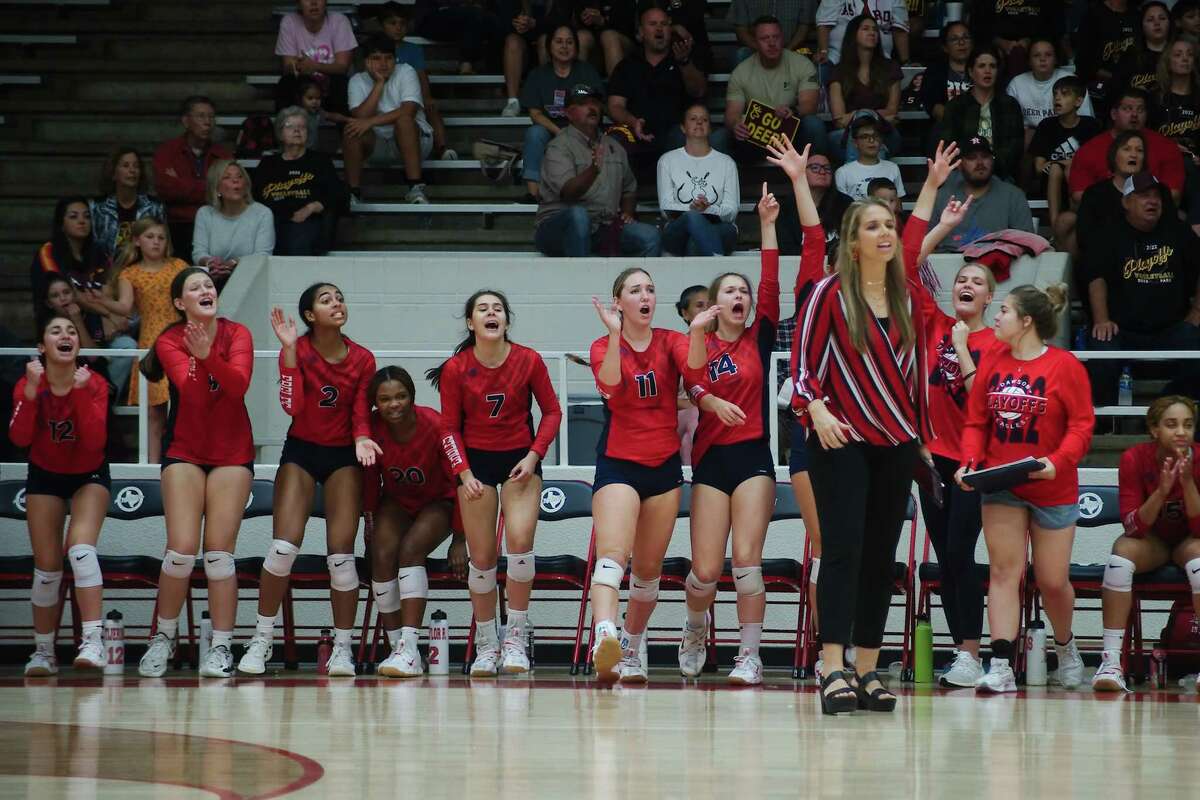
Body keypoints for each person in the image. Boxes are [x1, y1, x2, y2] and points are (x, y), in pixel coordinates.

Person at [790, 142, 953, 716]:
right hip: (842, 440)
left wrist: (931, 185)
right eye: (874, 226)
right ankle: (830, 665)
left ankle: (866, 666)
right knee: (843, 550)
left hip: (898, 441)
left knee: (882, 556)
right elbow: (802, 368)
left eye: (891, 223)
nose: (887, 233)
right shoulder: (828, 293)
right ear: (853, 242)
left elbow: (918, 375)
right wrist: (816, 410)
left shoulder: (910, 296)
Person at [677, 149, 803, 686]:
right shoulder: (697, 340)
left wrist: (767, 225)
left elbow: (772, 281)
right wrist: (707, 396)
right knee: (705, 571)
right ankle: (696, 626)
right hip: (709, 460)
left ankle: (748, 655)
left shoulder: (755, 335)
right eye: (730, 290)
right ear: (713, 302)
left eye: (744, 292)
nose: (741, 295)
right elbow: (689, 382)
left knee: (747, 560)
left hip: (752, 456)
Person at [957, 284, 1093, 693]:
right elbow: (976, 420)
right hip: (1002, 482)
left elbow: (1082, 425)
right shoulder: (993, 360)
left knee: (1052, 580)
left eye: (1004, 311)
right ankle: (1000, 665)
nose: (996, 317)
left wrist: (1058, 461)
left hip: (1052, 486)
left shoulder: (1065, 366)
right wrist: (969, 462)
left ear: (1027, 321)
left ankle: (1066, 646)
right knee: (1004, 572)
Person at [238, 283, 378, 677]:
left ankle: (343, 649)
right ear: (310, 316)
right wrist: (287, 353)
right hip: (301, 451)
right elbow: (291, 406)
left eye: (340, 296)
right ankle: (261, 640)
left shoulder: (364, 358)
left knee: (341, 558)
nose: (337, 302)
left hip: (343, 456)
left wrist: (363, 436)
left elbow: (360, 411)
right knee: (283, 548)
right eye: (326, 299)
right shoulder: (297, 349)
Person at [901, 159, 999, 687]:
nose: (965, 284)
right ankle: (964, 653)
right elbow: (907, 262)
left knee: (961, 550)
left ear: (989, 298)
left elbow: (982, 399)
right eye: (960, 279)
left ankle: (970, 651)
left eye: (976, 282)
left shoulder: (996, 344)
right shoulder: (935, 322)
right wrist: (943, 225)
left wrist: (964, 351)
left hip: (976, 462)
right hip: (932, 455)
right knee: (945, 555)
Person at [428, 290, 562, 676]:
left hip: (520, 459)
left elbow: (552, 411)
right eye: (483, 309)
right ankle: (487, 644)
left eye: (498, 309)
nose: (491, 313)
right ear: (471, 323)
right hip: (476, 466)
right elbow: (449, 428)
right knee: (483, 558)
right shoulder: (456, 369)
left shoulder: (528, 360)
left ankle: (515, 638)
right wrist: (464, 473)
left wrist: (535, 455)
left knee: (520, 545)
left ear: (506, 320)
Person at [135, 268, 254, 679]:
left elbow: (238, 386)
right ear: (179, 304)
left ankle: (221, 647)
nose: (206, 290)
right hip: (184, 451)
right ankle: (163, 638)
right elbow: (196, 395)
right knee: (182, 550)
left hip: (232, 453)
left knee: (219, 555)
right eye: (195, 287)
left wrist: (207, 356)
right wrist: (203, 359)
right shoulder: (169, 340)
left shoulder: (238, 334)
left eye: (209, 284)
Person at [586, 267, 699, 683]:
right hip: (619, 463)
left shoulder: (672, 340)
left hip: (665, 467)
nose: (645, 295)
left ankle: (630, 650)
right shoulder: (602, 344)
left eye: (650, 288)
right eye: (635, 290)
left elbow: (697, 371)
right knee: (613, 558)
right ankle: (604, 634)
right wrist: (616, 335)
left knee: (648, 572)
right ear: (619, 302)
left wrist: (701, 331)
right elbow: (611, 385)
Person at [9, 315, 110, 676]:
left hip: (89, 474)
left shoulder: (94, 382)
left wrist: (81, 394)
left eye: (71, 331)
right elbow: (19, 439)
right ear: (42, 347)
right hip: (45, 475)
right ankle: (43, 652)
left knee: (81, 551)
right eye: (55, 331)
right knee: (47, 569)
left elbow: (96, 441)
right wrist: (33, 393)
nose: (65, 336)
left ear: (78, 346)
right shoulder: (28, 383)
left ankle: (93, 642)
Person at [363, 366, 468, 678]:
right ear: (375, 404)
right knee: (381, 555)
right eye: (384, 399)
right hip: (396, 500)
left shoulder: (435, 425)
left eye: (400, 396)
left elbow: (460, 481)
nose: (393, 404)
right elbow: (370, 479)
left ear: (412, 397)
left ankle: (410, 643)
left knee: (410, 550)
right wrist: (369, 521)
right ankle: (399, 648)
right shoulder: (372, 427)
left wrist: (460, 538)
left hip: (439, 500)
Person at [1093, 395, 1200, 692]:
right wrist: (1162, 490)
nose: (1181, 432)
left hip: (1188, 541)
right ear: (1154, 430)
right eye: (1171, 424)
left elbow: (1199, 528)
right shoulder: (1134, 458)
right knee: (1121, 555)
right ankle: (1111, 662)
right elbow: (1133, 527)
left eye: (1188, 425)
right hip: (1151, 542)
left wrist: (1188, 482)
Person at [1085, 172, 1200, 407]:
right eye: (1143, 195)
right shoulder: (1108, 234)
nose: (1153, 201)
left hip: (1172, 329)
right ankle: (1105, 424)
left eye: (1156, 196)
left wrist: (1197, 311)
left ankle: (1165, 406)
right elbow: (1096, 278)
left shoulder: (1178, 231)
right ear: (1126, 202)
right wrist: (1102, 319)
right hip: (1123, 330)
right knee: (1101, 351)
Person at [87, 219, 188, 464]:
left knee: (184, 408)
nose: (156, 242)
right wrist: (96, 300)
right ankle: (153, 467)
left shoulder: (179, 266)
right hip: (150, 343)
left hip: (181, 339)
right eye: (150, 236)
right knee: (154, 412)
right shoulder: (130, 273)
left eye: (161, 237)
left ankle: (181, 461)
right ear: (137, 241)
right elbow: (124, 307)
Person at [534, 85, 661, 257]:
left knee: (649, 236)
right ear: (569, 113)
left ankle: (634, 283)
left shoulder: (614, 146)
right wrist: (593, 170)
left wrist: (627, 213)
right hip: (558, 228)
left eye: (594, 103)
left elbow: (629, 189)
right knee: (579, 216)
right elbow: (568, 193)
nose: (591, 107)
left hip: (603, 227)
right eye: (583, 104)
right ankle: (583, 281)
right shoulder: (559, 146)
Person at [606, 5, 709, 156]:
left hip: (676, 134)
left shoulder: (683, 59)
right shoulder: (627, 65)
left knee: (688, 138)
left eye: (664, 24)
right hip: (636, 131)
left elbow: (698, 90)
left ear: (670, 30)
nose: (659, 29)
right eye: (653, 24)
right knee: (612, 141)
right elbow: (615, 106)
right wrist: (633, 122)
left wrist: (684, 63)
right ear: (641, 33)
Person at [343, 36, 434, 206]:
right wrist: (379, 84)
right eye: (376, 58)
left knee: (404, 121)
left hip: (414, 142)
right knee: (352, 130)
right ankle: (353, 193)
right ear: (366, 62)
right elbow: (359, 118)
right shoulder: (357, 80)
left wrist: (371, 122)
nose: (383, 64)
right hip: (376, 145)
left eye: (388, 58)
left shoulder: (406, 71)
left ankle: (415, 187)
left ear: (395, 59)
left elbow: (408, 110)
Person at [518, 24, 605, 201]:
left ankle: (593, 191)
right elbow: (535, 114)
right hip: (551, 130)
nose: (564, 47)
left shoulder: (587, 72)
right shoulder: (538, 75)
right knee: (534, 133)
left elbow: (596, 108)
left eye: (569, 42)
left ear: (576, 47)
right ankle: (533, 193)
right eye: (559, 42)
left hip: (583, 131)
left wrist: (576, 133)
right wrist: (559, 132)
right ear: (549, 46)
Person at [724, 16, 825, 162]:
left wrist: (793, 111)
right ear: (755, 42)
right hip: (755, 136)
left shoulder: (801, 64)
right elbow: (732, 113)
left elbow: (810, 104)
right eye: (765, 38)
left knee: (814, 125)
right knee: (722, 137)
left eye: (776, 37)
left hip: (791, 130)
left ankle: (815, 173)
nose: (772, 43)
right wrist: (735, 125)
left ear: (782, 38)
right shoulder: (741, 72)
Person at [253, 106, 349, 256]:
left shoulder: (319, 161)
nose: (297, 130)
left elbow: (338, 194)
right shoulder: (268, 164)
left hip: (308, 222)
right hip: (272, 222)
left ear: (308, 133)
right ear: (280, 133)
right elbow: (255, 197)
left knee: (298, 237)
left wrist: (313, 206)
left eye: (302, 127)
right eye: (290, 126)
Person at [1068, 87, 1186, 206]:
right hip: (1104, 217)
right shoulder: (1090, 150)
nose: (1134, 114)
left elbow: (1173, 193)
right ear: (1114, 114)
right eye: (1127, 109)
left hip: (1153, 215)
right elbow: (1079, 195)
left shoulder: (1166, 147)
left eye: (1140, 110)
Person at [152, 96, 232, 258]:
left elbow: (228, 190)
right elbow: (166, 189)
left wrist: (182, 183)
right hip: (177, 225)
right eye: (201, 116)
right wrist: (209, 187)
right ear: (186, 121)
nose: (208, 122)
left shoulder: (223, 155)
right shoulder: (167, 152)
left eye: (211, 117)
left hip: (215, 224)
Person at [657, 103, 741, 256]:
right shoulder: (667, 160)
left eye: (704, 120)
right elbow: (665, 207)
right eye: (693, 119)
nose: (699, 122)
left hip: (719, 227)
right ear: (683, 127)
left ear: (710, 128)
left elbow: (731, 210)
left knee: (695, 242)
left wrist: (708, 209)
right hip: (678, 230)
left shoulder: (726, 162)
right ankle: (718, 265)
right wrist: (693, 209)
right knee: (692, 218)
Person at [929, 136, 1036, 253]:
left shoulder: (1014, 196)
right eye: (972, 158)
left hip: (999, 264)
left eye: (985, 156)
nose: (980, 163)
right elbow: (925, 245)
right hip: (947, 264)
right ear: (959, 165)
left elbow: (1027, 244)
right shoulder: (941, 196)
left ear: (992, 160)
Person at [937, 47, 1024, 180]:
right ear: (971, 72)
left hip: (1000, 175)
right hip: (963, 174)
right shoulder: (956, 106)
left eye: (993, 66)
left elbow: (1015, 147)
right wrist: (970, 167)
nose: (987, 71)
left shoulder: (1010, 105)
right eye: (982, 66)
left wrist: (990, 166)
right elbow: (949, 146)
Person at [1066, 130, 1148, 269]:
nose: (1134, 154)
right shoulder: (1095, 194)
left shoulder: (1157, 193)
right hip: (1106, 264)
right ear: (1114, 156)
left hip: (1146, 263)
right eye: (1127, 149)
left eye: (1139, 150)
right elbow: (1086, 238)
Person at [1030, 75, 1103, 231]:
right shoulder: (1046, 126)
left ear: (1078, 101)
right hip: (1049, 180)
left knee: (1071, 169)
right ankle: (1056, 226)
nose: (1058, 98)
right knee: (1057, 169)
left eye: (1064, 94)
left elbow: (1095, 164)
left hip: (1083, 182)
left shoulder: (1091, 126)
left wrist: (1069, 164)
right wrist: (1067, 163)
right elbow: (1038, 167)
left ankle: (1079, 220)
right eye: (1055, 94)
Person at [377, 2, 450, 157]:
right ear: (382, 26)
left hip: (410, 97)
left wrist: (427, 97)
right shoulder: (375, 50)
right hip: (385, 98)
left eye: (402, 24)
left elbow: (421, 76)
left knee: (432, 109)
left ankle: (442, 147)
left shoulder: (413, 49)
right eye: (393, 23)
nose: (398, 28)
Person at [828, 16, 903, 161]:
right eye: (865, 29)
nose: (872, 33)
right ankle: (873, 176)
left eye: (875, 29)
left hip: (886, 132)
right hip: (846, 134)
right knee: (854, 134)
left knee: (866, 129)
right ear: (853, 34)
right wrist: (865, 116)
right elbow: (838, 120)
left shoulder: (891, 67)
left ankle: (857, 180)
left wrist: (858, 116)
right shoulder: (838, 71)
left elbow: (893, 111)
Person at [191, 161, 275, 286]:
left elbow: (263, 255)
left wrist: (234, 263)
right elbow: (199, 252)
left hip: (251, 280)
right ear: (216, 187)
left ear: (246, 184)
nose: (236, 181)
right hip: (213, 280)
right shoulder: (205, 214)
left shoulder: (262, 213)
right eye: (227, 177)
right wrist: (210, 263)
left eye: (239, 177)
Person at [1006, 39, 1096, 151]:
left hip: (1066, 133)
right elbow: (1010, 125)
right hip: (1030, 136)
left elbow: (1086, 121)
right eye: (1036, 55)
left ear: (1056, 59)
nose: (1042, 59)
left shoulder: (1071, 80)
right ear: (1029, 61)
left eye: (1048, 55)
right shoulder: (1017, 83)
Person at [1152, 38, 1200, 236]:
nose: (1185, 59)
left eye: (1189, 55)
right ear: (1168, 61)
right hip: (1164, 162)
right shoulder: (1155, 98)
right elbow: (1146, 136)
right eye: (1178, 55)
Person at [274, 0, 357, 114]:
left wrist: (315, 66)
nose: (314, 2)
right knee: (286, 83)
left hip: (331, 80)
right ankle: (286, 127)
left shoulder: (339, 21)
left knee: (341, 83)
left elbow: (342, 67)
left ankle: (345, 129)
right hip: (302, 81)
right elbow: (288, 66)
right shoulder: (289, 22)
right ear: (299, 4)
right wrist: (298, 66)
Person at [90, 146, 165, 265]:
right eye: (126, 165)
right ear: (113, 173)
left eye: (136, 166)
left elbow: (162, 245)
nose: (132, 170)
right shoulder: (97, 207)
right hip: (106, 270)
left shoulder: (154, 207)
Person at [776, 152, 851, 257]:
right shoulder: (787, 206)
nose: (822, 171)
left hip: (837, 264)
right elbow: (785, 247)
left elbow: (851, 242)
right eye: (815, 168)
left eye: (827, 168)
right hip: (796, 264)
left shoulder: (846, 203)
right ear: (801, 172)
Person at [412, 0, 504, 76]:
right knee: (473, 14)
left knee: (492, 20)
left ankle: (494, 78)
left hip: (470, 19)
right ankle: (467, 64)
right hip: (432, 19)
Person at [970, 0, 1057, 78]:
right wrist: (1000, 42)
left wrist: (1030, 41)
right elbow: (978, 28)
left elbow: (1052, 27)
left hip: (1033, 43)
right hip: (996, 44)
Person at [816, 2, 910, 69]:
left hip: (881, 57)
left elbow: (900, 31)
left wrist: (905, 62)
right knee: (823, 68)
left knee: (894, 72)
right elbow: (824, 25)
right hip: (838, 56)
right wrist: (824, 51)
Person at [674, 284, 708, 467]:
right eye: (699, 305)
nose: (706, 310)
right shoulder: (677, 346)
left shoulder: (728, 344)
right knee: (693, 419)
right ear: (685, 314)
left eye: (710, 304)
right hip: (681, 416)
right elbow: (665, 398)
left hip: (720, 417)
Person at [834, 115, 905, 201]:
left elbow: (898, 204)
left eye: (875, 136)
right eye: (864, 137)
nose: (871, 140)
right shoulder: (843, 173)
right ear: (855, 143)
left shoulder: (892, 168)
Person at [1111, 1, 1172, 95]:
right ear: (1141, 25)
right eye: (1150, 20)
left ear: (1169, 22)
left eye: (1162, 18)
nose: (1157, 23)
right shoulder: (1130, 56)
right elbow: (1115, 90)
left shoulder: (1178, 54)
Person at [920, 22, 974, 124]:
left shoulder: (983, 68)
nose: (961, 42)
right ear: (945, 47)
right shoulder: (935, 72)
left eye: (966, 37)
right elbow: (936, 108)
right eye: (954, 39)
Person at [1076, 0, 1137, 85]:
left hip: (1132, 86)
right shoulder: (1092, 16)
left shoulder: (1137, 15)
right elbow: (1083, 63)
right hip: (1097, 87)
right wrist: (1118, 79)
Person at [729, 0, 813, 60]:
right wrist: (763, 50)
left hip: (793, 49)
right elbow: (741, 30)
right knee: (741, 54)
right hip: (756, 49)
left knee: (805, 54)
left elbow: (803, 29)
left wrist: (786, 51)